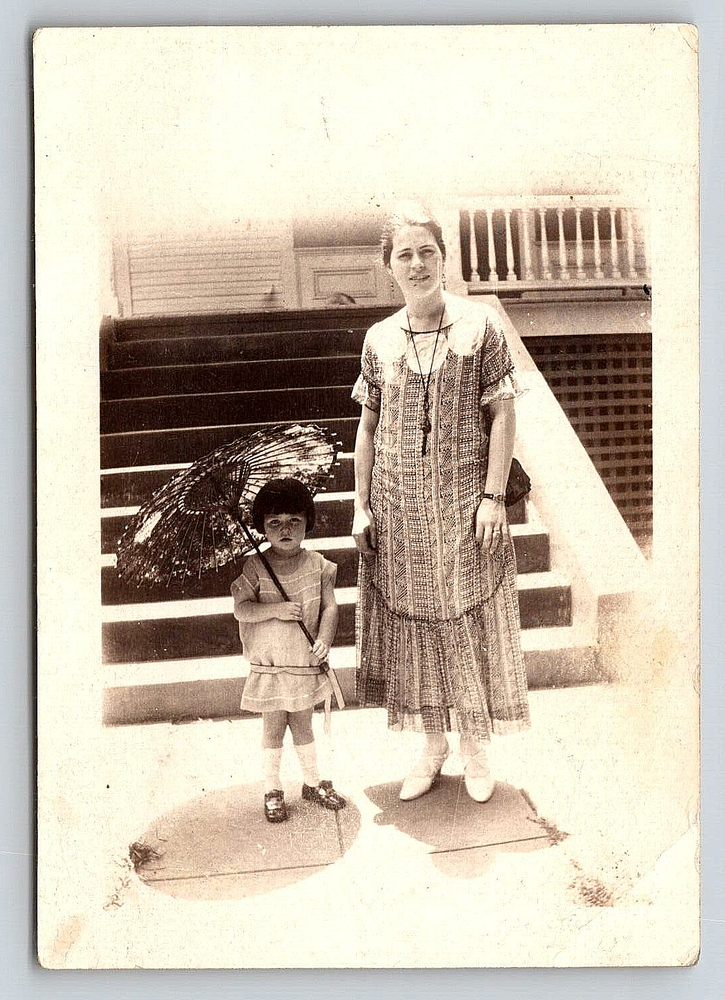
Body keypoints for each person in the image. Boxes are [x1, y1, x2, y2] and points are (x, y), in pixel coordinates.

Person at [351, 202, 530, 803]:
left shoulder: (480, 325)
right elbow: (368, 427)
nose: (417, 264)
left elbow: (503, 413)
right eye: (404, 254)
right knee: (415, 624)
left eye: (427, 251)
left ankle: (475, 748)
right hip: (398, 509)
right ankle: (433, 745)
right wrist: (361, 506)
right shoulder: (378, 339)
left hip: (464, 505)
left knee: (465, 617)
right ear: (389, 267)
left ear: (444, 257)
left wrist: (493, 497)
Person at [232, 478, 346, 823]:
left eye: (294, 521)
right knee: (273, 727)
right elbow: (242, 609)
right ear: (262, 527)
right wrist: (275, 610)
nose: (285, 529)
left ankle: (311, 782)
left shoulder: (318, 565)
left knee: (303, 725)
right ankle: (272, 787)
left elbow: (329, 607)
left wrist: (324, 638)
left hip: (303, 663)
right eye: (274, 522)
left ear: (307, 522)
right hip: (271, 666)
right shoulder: (255, 567)